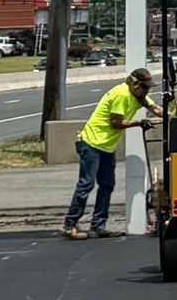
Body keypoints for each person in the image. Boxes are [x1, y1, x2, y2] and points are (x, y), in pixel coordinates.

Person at [63, 66, 161, 238]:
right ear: (135, 85)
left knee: (107, 185)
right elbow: (115, 123)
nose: (146, 91)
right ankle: (70, 224)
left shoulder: (139, 95)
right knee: (86, 184)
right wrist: (139, 123)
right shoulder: (121, 94)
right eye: (145, 87)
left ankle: (98, 226)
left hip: (107, 147)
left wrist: (174, 115)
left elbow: (156, 109)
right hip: (92, 143)